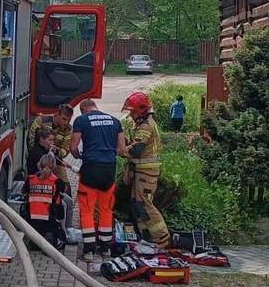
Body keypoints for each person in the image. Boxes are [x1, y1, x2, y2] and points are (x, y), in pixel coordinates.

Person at [70, 98, 127, 264]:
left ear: (83, 109)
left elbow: (73, 148)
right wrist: (107, 153)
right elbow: (122, 150)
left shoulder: (81, 120)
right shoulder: (115, 121)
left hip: (90, 168)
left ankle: (88, 251)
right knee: (106, 209)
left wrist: (80, 155)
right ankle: (105, 248)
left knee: (87, 209)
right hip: (109, 169)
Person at [122, 91, 170, 247]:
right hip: (140, 173)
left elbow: (136, 150)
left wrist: (121, 149)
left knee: (145, 205)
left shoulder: (146, 126)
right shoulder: (142, 124)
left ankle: (162, 238)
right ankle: (147, 237)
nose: (130, 114)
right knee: (137, 205)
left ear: (140, 110)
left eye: (132, 111)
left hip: (146, 174)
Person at [26, 153, 69, 250]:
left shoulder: (30, 179)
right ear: (54, 166)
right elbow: (65, 190)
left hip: (32, 217)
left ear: (39, 164)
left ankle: (35, 241)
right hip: (51, 217)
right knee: (57, 228)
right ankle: (53, 240)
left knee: (35, 230)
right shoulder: (57, 181)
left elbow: (24, 191)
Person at [28, 103, 74, 181]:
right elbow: (31, 141)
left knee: (66, 187)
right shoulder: (41, 121)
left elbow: (65, 150)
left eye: (69, 120)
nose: (66, 123)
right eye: (64, 119)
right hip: (36, 159)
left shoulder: (68, 129)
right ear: (57, 115)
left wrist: (56, 152)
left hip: (55, 161)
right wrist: (43, 158)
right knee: (31, 182)